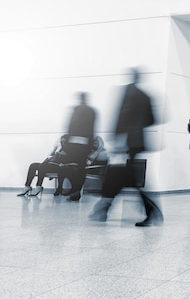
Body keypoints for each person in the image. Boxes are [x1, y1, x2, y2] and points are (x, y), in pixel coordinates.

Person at [89, 68, 162, 226]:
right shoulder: (145, 95)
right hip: (138, 141)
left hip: (126, 140)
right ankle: (105, 208)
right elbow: (153, 119)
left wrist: (117, 137)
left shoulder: (128, 92)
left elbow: (122, 115)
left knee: (124, 174)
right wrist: (138, 127)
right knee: (127, 175)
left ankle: (105, 207)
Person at [64, 92, 97, 201]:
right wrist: (91, 144)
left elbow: (70, 126)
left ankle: (75, 189)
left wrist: (67, 143)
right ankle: (76, 189)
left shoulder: (76, 109)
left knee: (71, 166)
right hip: (84, 142)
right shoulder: (91, 111)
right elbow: (92, 128)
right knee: (80, 167)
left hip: (74, 142)